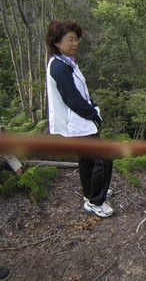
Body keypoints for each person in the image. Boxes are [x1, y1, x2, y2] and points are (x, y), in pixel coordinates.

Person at [45, 20, 113, 218]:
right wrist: (94, 115)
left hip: (81, 121)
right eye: (70, 39)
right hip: (77, 123)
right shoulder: (59, 66)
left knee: (87, 160)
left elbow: (82, 92)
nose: (74, 43)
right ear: (56, 42)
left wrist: (92, 106)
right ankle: (95, 201)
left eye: (76, 39)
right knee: (103, 159)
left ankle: (90, 193)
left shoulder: (68, 62)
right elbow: (72, 99)